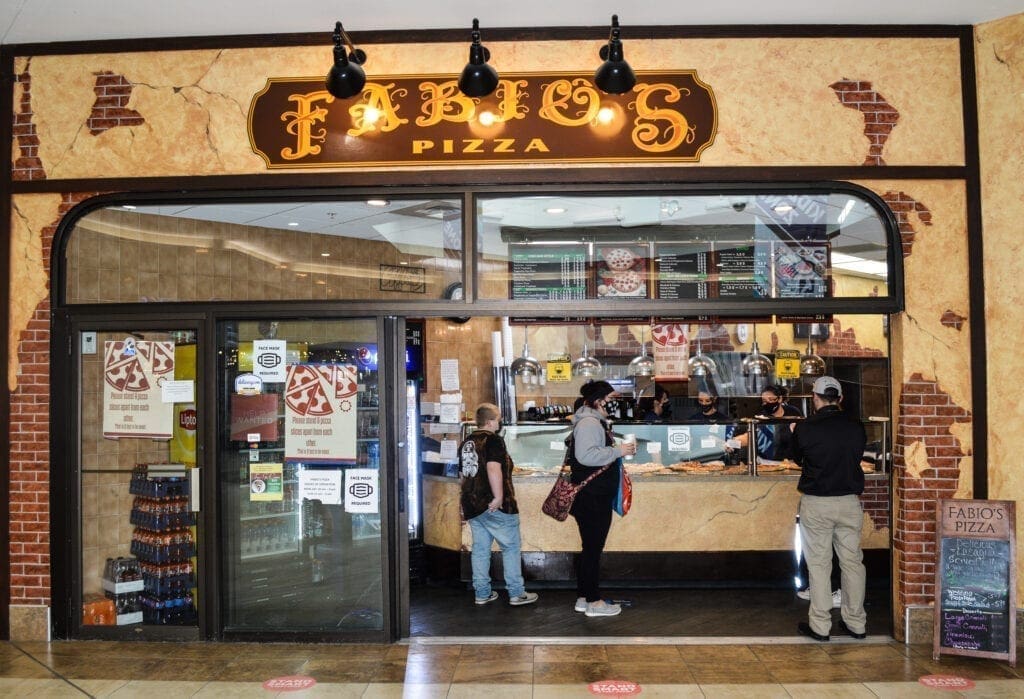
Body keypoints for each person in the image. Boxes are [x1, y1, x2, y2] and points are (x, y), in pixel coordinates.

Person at [791, 376, 868, 642]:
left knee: (819, 564)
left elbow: (796, 457)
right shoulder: (856, 426)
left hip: (817, 502)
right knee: (853, 563)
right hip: (849, 502)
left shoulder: (806, 427)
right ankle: (856, 623)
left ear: (815, 398)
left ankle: (821, 626)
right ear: (840, 398)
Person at [458, 403, 538, 607]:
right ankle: (516, 593)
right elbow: (494, 469)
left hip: (473, 504)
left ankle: (482, 593)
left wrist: (463, 502)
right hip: (494, 504)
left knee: (480, 549)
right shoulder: (493, 440)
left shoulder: (467, 442)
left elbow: (463, 475)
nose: (500, 422)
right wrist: (499, 497)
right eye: (498, 419)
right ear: (491, 420)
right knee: (510, 548)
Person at [569, 380, 637, 617]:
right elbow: (586, 456)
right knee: (593, 550)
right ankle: (595, 602)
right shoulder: (589, 423)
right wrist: (620, 451)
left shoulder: (590, 420)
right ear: (599, 400)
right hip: (593, 496)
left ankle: (583, 597)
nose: (612, 402)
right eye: (610, 398)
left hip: (591, 495)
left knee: (589, 548)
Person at [729, 385, 802, 460]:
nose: (767, 403)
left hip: (792, 460)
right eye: (764, 401)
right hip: (768, 460)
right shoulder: (761, 416)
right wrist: (732, 443)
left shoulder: (793, 412)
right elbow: (750, 436)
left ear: (779, 399)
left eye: (771, 399)